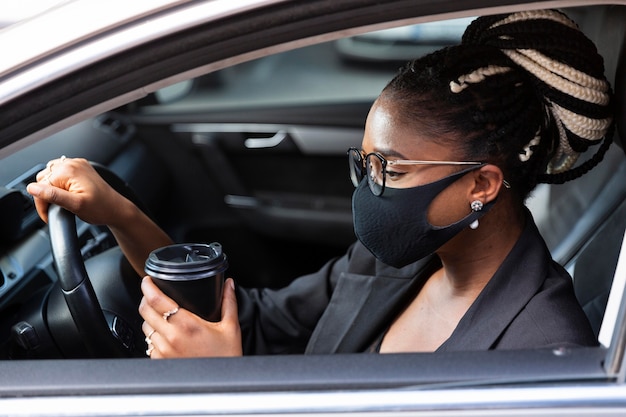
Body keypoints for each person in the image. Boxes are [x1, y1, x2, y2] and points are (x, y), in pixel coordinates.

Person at [27, 9, 614, 358]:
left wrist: (225, 394)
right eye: (365, 164)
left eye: (391, 168)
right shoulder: (398, 259)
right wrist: (122, 214)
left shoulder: (543, 348)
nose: (368, 191)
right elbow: (250, 322)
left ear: (482, 185)